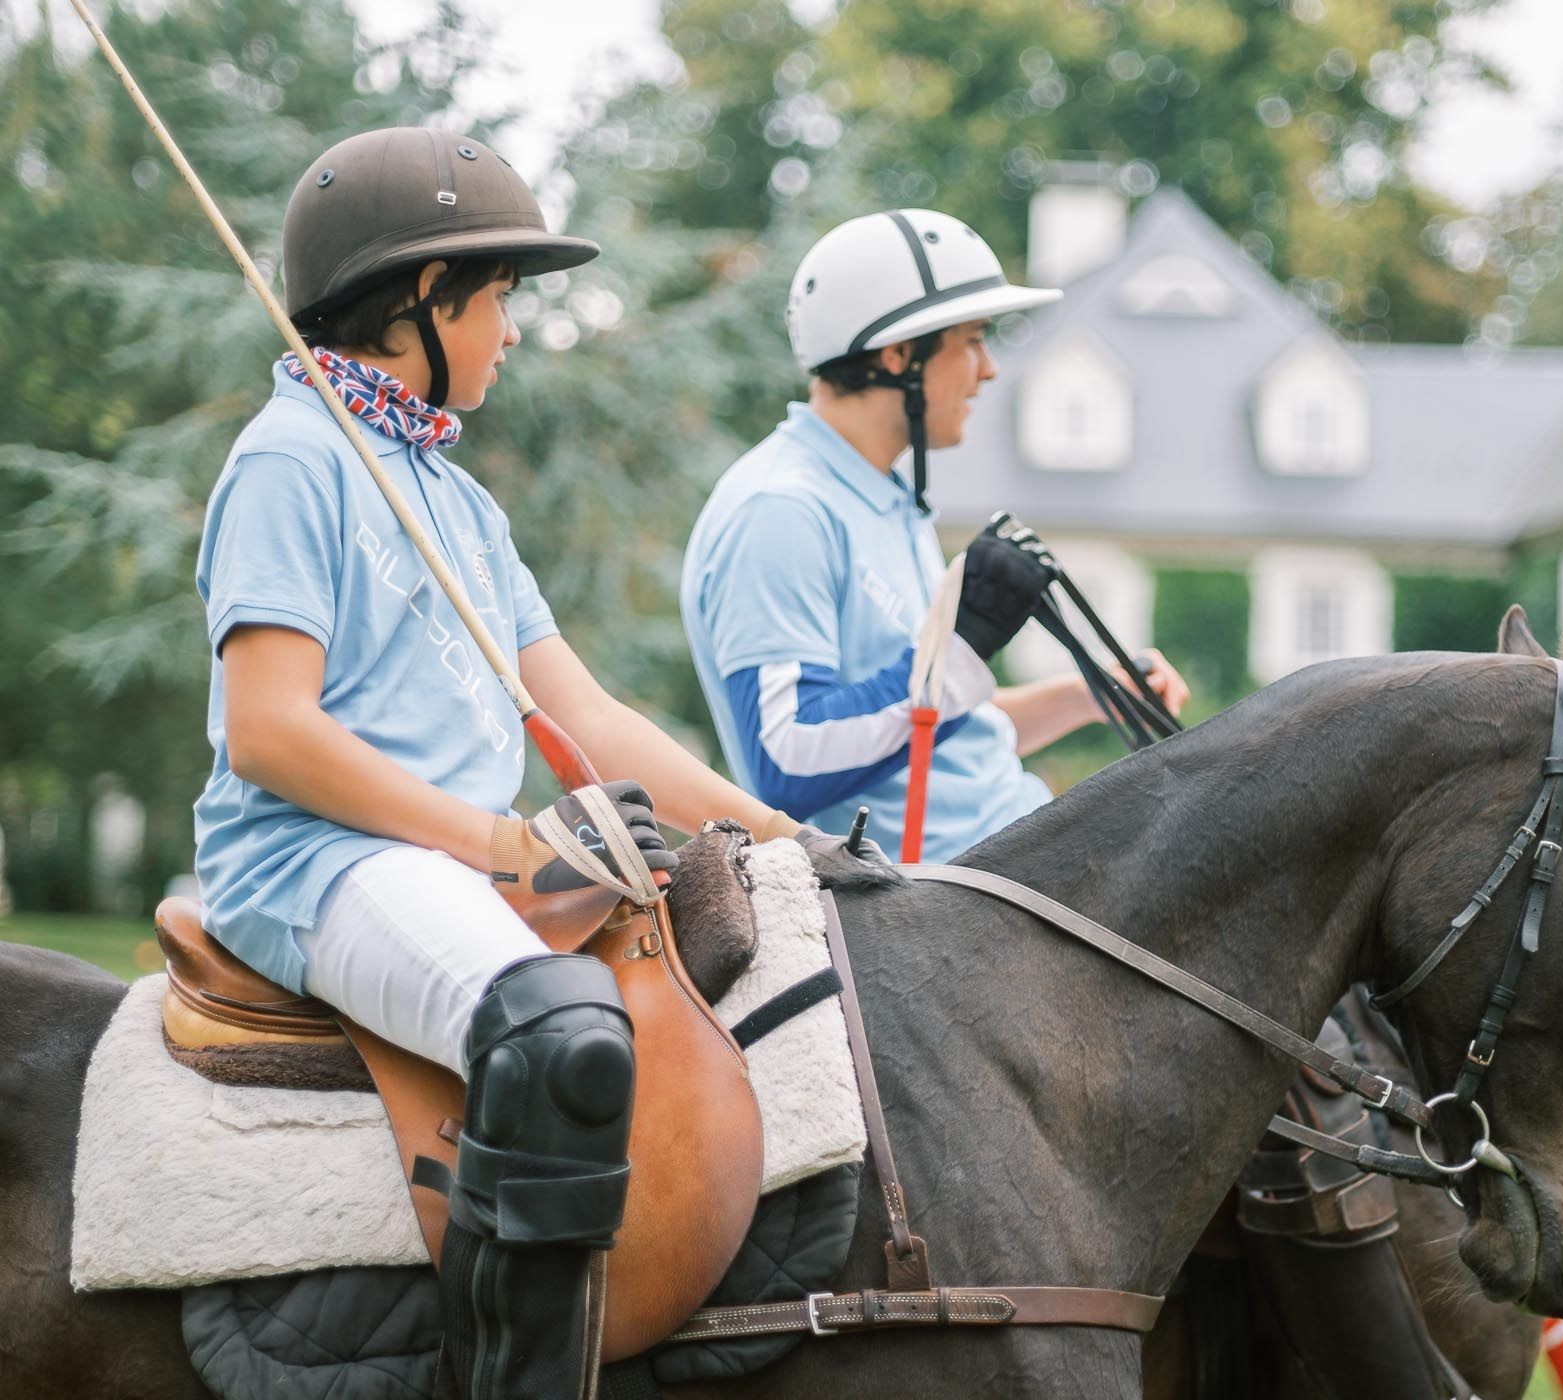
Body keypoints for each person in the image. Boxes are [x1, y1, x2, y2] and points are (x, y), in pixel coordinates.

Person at [193, 127, 866, 1400]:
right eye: (497, 295)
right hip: (312, 864)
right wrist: (506, 840)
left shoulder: (456, 499)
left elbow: (592, 718)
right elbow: (269, 728)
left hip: (434, 864)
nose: (512, 328)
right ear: (418, 299)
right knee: (560, 1030)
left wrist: (788, 840)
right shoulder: (290, 459)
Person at [680, 208, 1188, 862]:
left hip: (1011, 850)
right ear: (899, 354)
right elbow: (789, 762)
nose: (988, 369)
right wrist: (963, 651)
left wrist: (1089, 693)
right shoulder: (781, 510)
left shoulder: (885, 497)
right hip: (948, 905)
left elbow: (940, 733)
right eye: (972, 340)